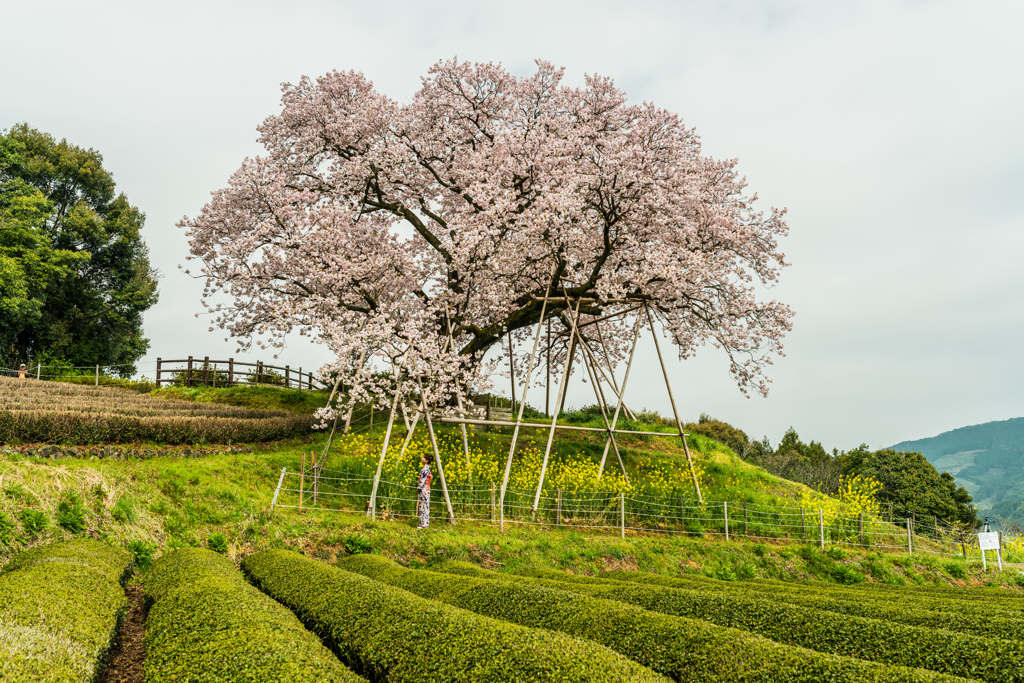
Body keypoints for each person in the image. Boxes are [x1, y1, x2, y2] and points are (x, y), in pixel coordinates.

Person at [416, 455, 433, 529]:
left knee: (423, 506)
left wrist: (419, 487)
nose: (421, 458)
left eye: (423, 457)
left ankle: (423, 525)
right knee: (425, 506)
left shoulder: (425, 469)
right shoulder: (427, 468)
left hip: (424, 489)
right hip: (426, 488)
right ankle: (425, 524)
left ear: (426, 460)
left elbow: (423, 479)